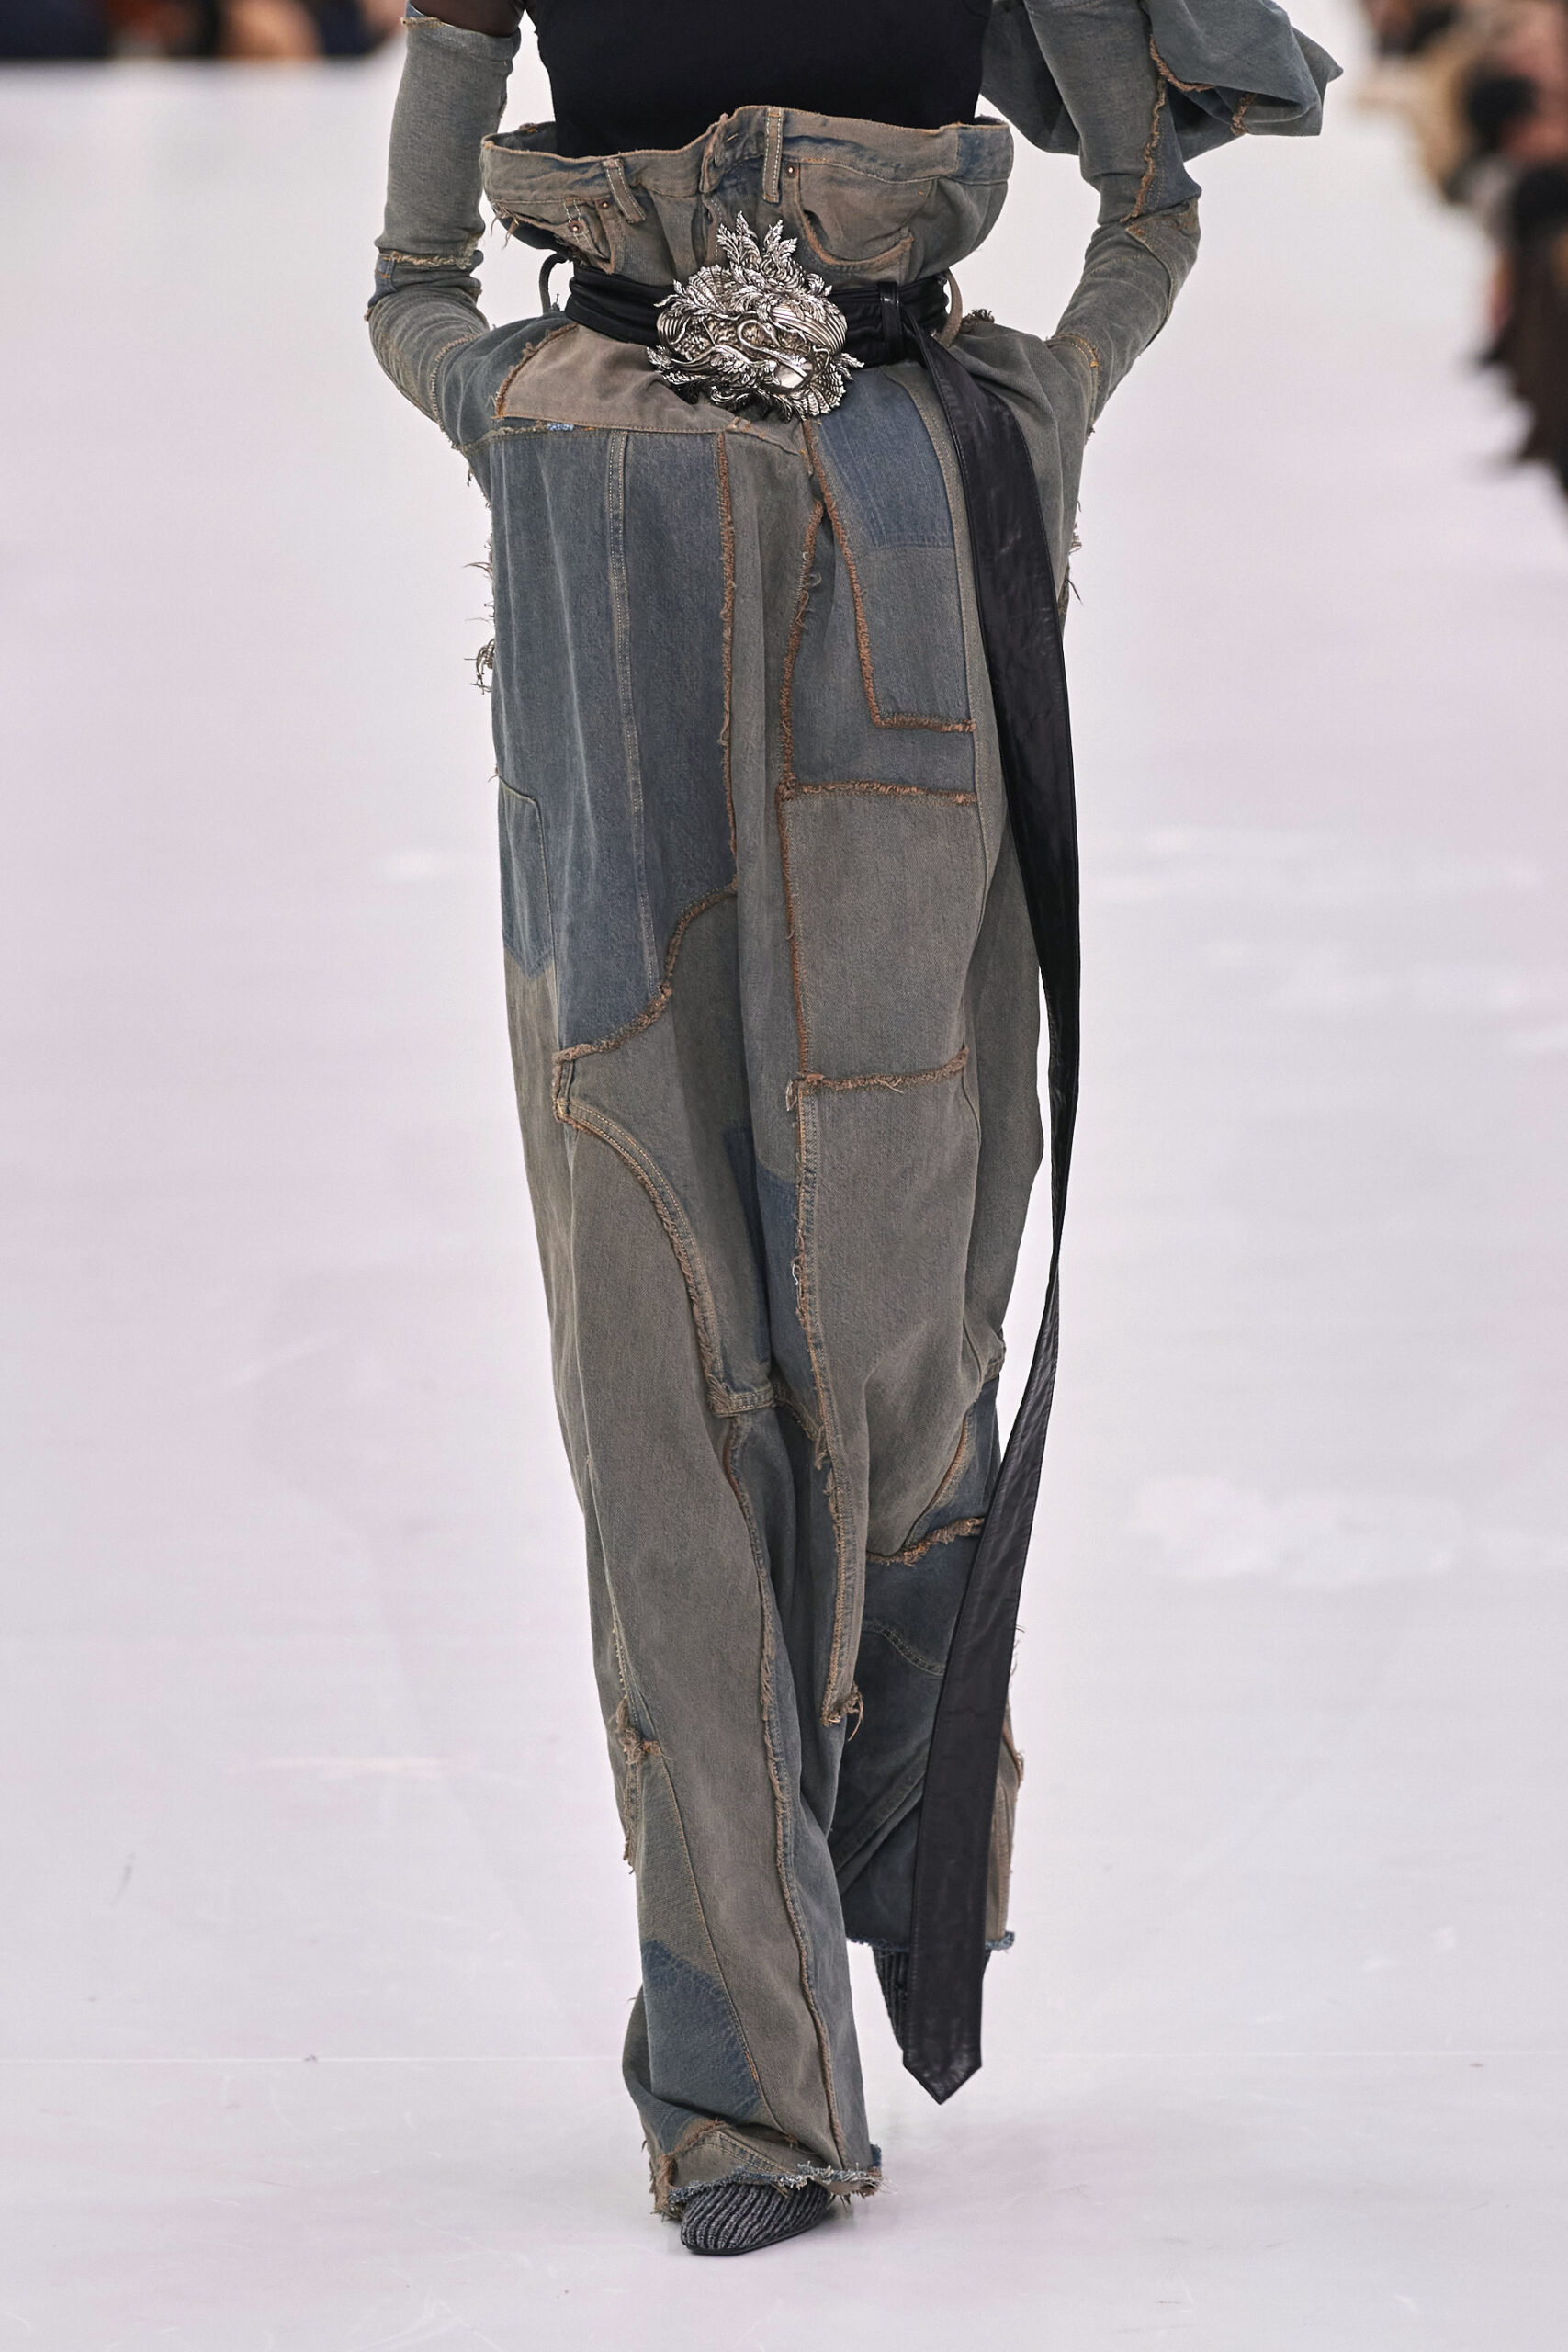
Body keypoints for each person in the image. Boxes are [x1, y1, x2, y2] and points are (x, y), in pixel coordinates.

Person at [370, 0, 1335, 2260]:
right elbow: (406, 275)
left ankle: (885, 1840)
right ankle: (744, 2080)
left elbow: (1148, 195)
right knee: (653, 1339)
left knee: (903, 1324)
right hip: (619, 563)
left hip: (907, 541)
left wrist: (1035, 404)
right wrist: (511, 404)